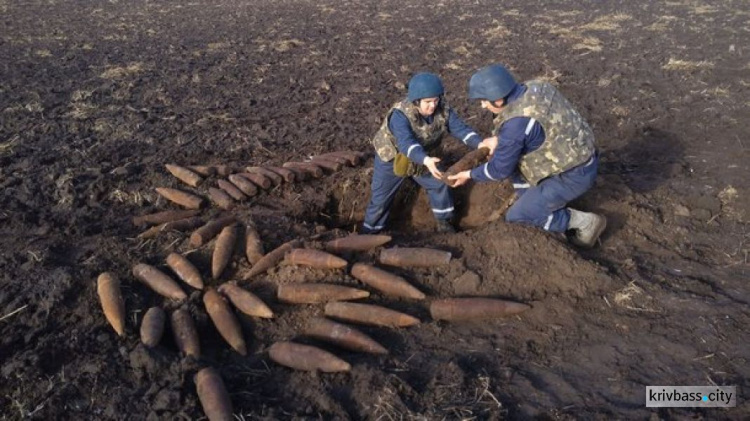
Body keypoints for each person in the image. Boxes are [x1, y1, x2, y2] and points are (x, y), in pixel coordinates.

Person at [448, 64, 607, 247]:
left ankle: (583, 223)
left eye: (484, 100)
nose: (483, 105)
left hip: (573, 175)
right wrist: (500, 140)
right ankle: (533, 202)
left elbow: (499, 169)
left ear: (499, 100)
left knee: (517, 216)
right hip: (579, 154)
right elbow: (529, 132)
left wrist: (468, 174)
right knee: (517, 171)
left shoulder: (517, 124)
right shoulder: (536, 87)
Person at [361, 72, 483, 234]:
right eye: (427, 102)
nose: (432, 106)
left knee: (440, 183)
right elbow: (406, 143)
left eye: (435, 100)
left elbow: (460, 129)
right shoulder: (400, 115)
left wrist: (480, 143)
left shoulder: (443, 109)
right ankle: (370, 232)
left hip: (425, 157)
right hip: (392, 157)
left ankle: (444, 222)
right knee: (380, 199)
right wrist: (425, 160)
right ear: (416, 100)